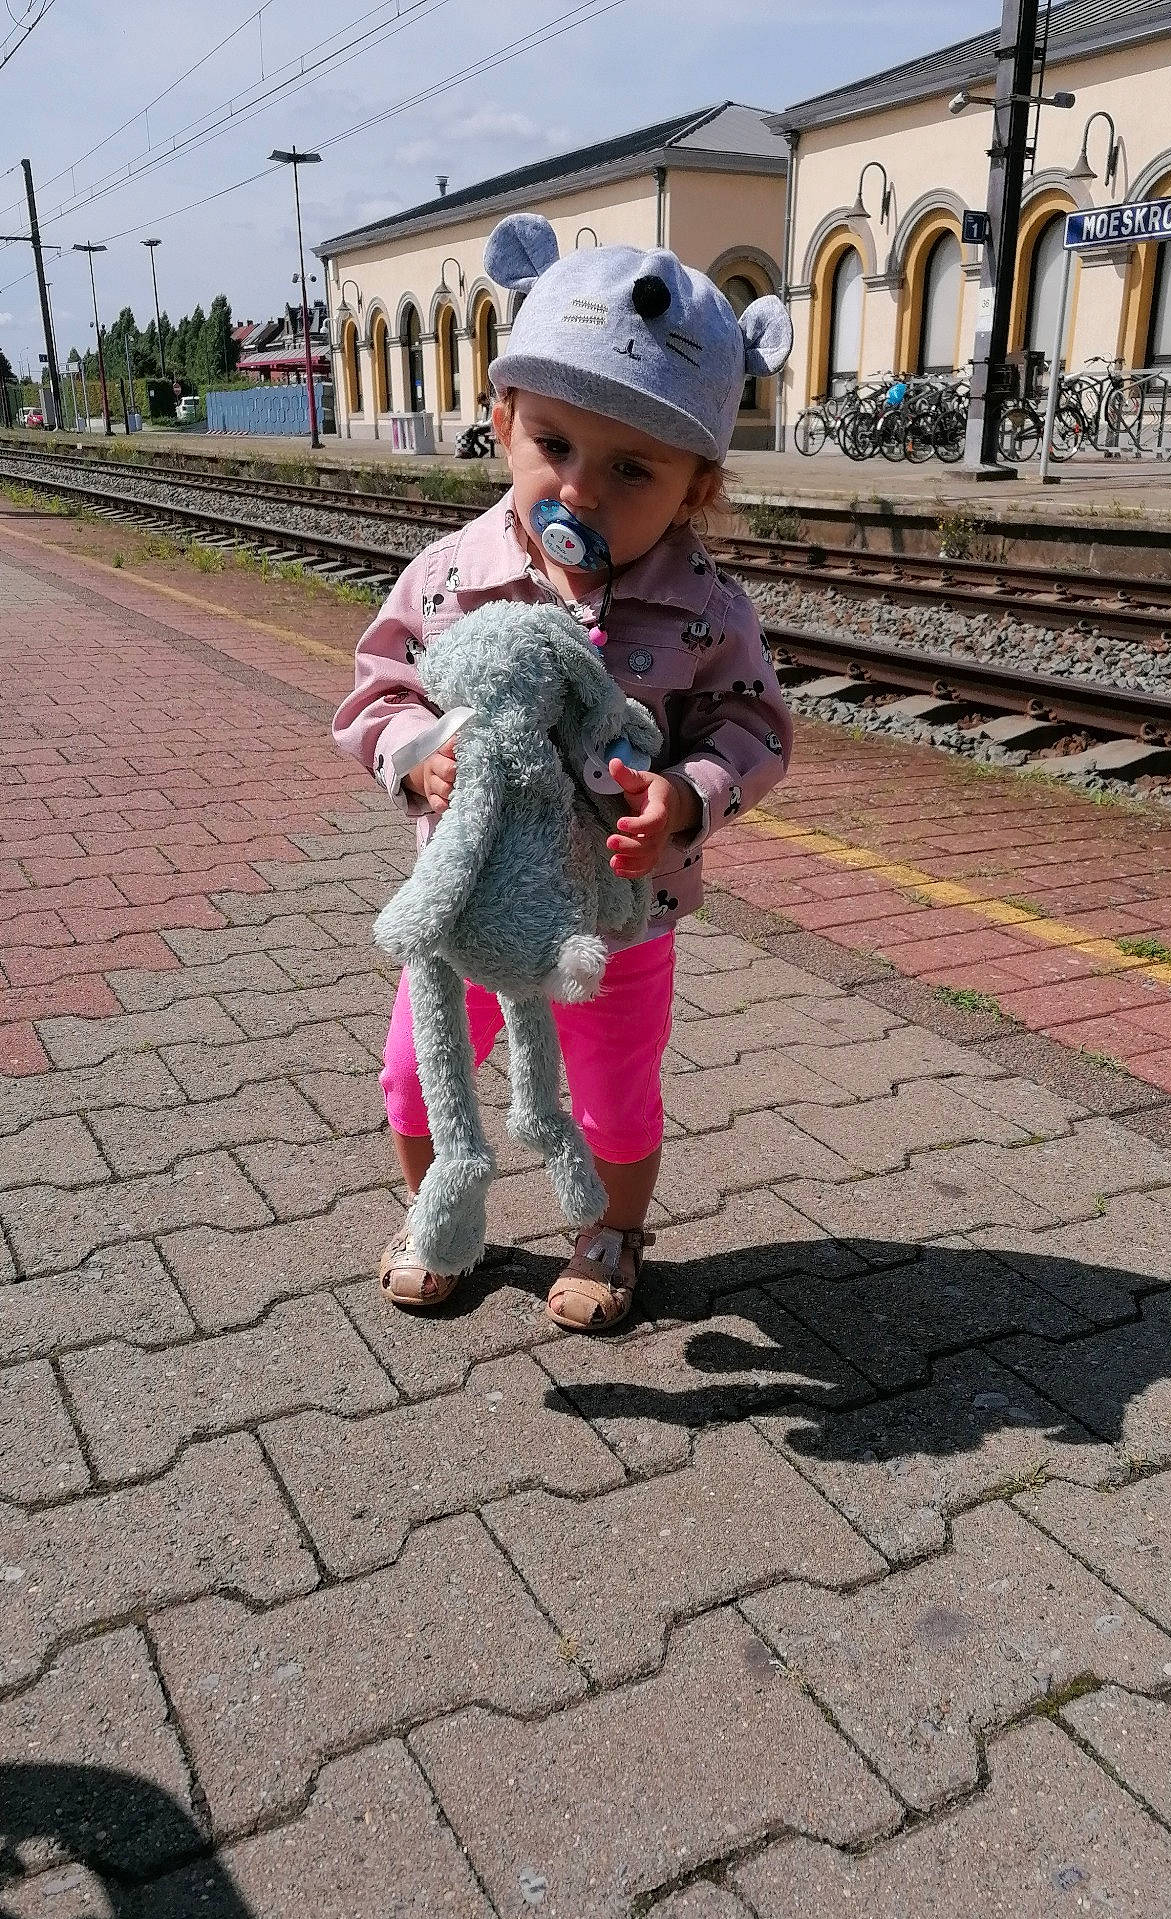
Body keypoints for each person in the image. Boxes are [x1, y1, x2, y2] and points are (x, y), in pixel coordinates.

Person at [332, 212, 793, 1332]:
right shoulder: (451, 576)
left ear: (691, 488)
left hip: (620, 923)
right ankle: (438, 1208)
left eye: (631, 470)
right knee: (410, 1072)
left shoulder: (703, 609)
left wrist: (688, 795)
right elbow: (376, 689)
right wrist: (417, 755)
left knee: (614, 1098)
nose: (581, 491)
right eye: (556, 446)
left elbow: (758, 726)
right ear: (503, 423)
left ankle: (611, 1231)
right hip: (471, 906)